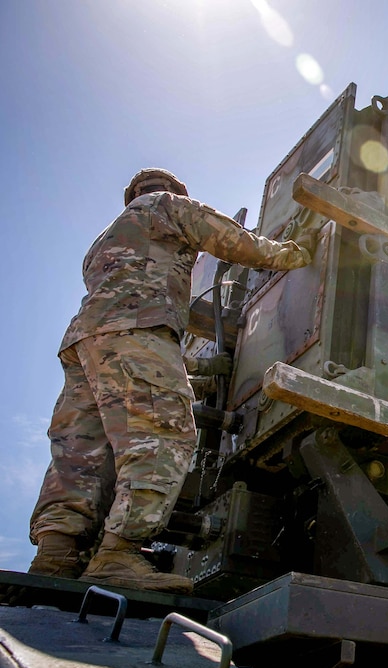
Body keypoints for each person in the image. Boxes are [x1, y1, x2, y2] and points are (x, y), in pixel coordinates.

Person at [27, 168, 316, 594]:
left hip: (85, 342)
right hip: (135, 328)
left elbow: (146, 309)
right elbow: (229, 239)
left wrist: (197, 369)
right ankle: (118, 555)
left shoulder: (103, 244)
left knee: (80, 453)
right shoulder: (166, 206)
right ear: (174, 191)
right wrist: (293, 254)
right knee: (163, 433)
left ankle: (55, 556)